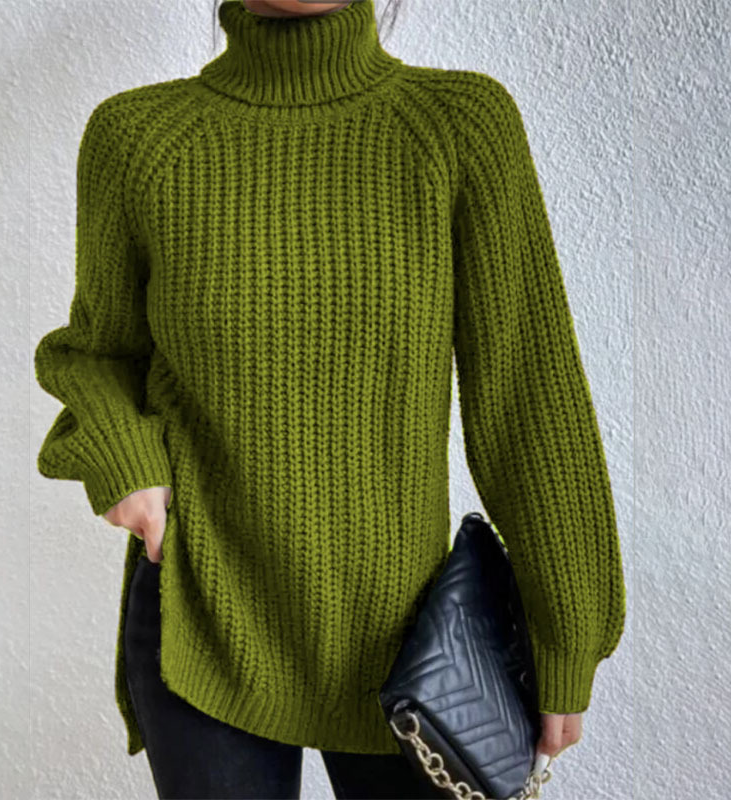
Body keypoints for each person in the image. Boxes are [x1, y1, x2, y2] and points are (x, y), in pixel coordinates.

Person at [33, 0, 627, 797]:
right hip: (204, 614)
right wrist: (127, 465)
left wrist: (567, 631)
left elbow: (529, 396)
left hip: (410, 640)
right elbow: (96, 354)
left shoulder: (459, 127)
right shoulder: (139, 138)